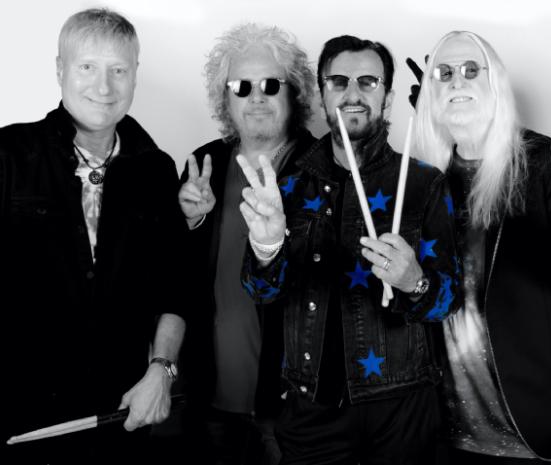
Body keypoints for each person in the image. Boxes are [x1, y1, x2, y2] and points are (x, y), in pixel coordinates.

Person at [238, 34, 460, 465]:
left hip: (402, 407)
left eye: (368, 82)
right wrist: (266, 245)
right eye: (338, 81)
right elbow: (261, 292)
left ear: (387, 97)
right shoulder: (288, 187)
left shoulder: (424, 183)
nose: (352, 93)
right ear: (322, 95)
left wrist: (413, 281)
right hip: (310, 408)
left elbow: (448, 301)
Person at [411, 30, 551, 464]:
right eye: (443, 73)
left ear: (496, 84)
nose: (456, 81)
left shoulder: (545, 161)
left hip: (539, 419)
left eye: (471, 70)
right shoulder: (421, 178)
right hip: (450, 429)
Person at [0, 8, 187, 465]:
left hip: (120, 414)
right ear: (60, 69)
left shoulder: (157, 170)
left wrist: (161, 371)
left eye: (118, 70)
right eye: (87, 67)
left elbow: (178, 288)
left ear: (135, 74)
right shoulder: (7, 154)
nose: (103, 88)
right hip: (17, 415)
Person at [176, 23, 317, 465]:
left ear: (294, 93)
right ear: (226, 99)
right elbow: (176, 280)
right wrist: (192, 221)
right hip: (210, 400)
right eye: (241, 86)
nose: (256, 97)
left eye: (271, 85)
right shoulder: (204, 165)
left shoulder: (321, 169)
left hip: (292, 406)